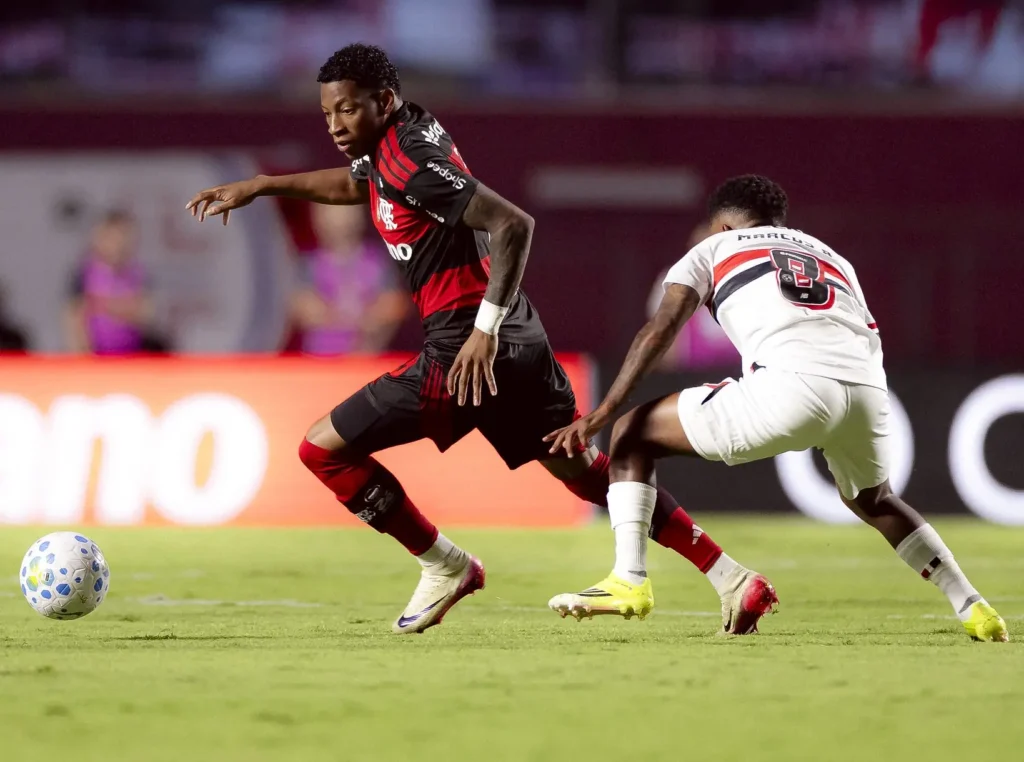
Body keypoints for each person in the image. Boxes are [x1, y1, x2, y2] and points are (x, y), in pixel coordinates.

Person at [186, 44, 775, 636]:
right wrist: (263, 185)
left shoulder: (410, 160)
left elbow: (513, 223)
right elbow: (356, 186)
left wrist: (482, 331)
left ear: (383, 101)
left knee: (322, 449)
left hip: (466, 348)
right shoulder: (395, 148)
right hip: (520, 341)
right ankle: (731, 577)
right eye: (327, 114)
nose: (336, 125)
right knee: (583, 471)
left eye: (347, 109)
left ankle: (445, 564)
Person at [546, 175, 1008, 643]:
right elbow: (868, 330)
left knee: (631, 431)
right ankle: (972, 604)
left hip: (791, 388)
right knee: (876, 500)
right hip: (867, 390)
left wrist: (603, 410)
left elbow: (660, 329)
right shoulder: (832, 257)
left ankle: (628, 580)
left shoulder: (712, 248)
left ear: (723, 225)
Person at [291, 203, 409, 355]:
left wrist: (370, 321)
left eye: (345, 210)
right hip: (319, 360)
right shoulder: (309, 264)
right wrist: (346, 317)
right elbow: (303, 309)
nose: (338, 219)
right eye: (328, 211)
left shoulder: (379, 260)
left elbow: (395, 305)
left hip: (369, 359)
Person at [64, 210, 161, 355]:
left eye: (124, 237)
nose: (118, 244)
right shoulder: (84, 274)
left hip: (132, 356)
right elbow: (74, 319)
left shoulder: (138, 275)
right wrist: (84, 358)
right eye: (112, 238)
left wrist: (112, 308)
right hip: (95, 357)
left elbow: (146, 314)